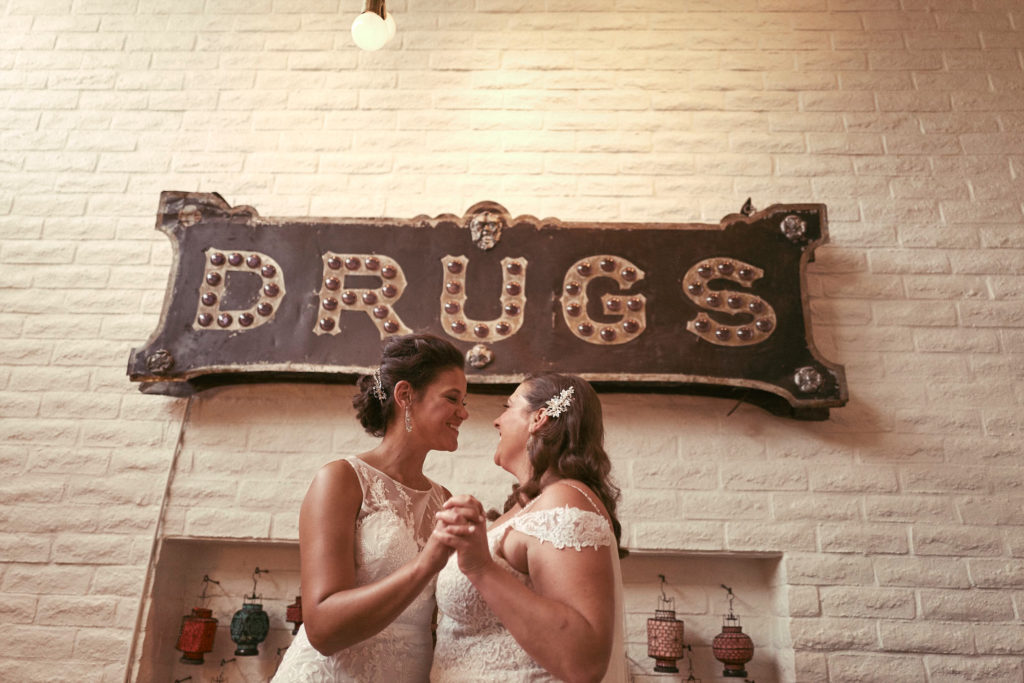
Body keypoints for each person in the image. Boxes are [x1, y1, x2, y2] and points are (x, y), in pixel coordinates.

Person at [272, 333, 469, 682]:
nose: (463, 413)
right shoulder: (342, 480)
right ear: (406, 395)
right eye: (452, 398)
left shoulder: (444, 499)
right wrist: (428, 562)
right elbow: (322, 629)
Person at [429, 373, 627, 683]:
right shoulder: (529, 506)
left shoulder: (564, 502)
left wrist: (482, 567)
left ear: (538, 419)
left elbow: (585, 661)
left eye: (507, 407)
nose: (497, 421)